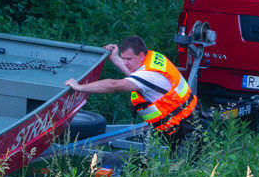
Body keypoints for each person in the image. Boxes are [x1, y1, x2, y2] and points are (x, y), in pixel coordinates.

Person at [65, 35, 200, 154]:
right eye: (123, 58)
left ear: (141, 55)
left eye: (128, 58)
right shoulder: (152, 60)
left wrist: (79, 87)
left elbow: (114, 85)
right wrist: (115, 58)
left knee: (185, 164)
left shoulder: (149, 75)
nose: (125, 62)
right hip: (186, 119)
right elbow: (136, 75)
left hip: (184, 129)